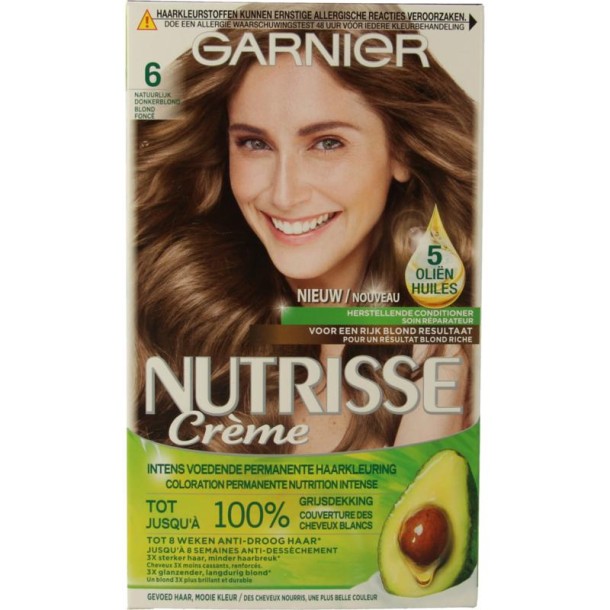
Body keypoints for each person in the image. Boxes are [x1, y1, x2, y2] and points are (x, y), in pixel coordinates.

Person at [134, 23, 477, 454]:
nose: (283, 194)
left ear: (402, 152)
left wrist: (435, 419)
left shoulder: (463, 356)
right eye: (254, 143)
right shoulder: (166, 326)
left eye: (327, 143)